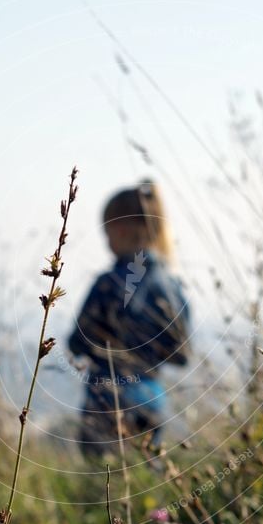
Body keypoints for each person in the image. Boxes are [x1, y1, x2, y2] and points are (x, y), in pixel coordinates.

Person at [68, 180, 190, 459]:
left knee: (104, 488)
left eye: (106, 233)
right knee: (145, 485)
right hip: (152, 399)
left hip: (106, 400)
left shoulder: (107, 284)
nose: (106, 242)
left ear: (119, 229)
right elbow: (181, 354)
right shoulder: (173, 286)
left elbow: (77, 342)